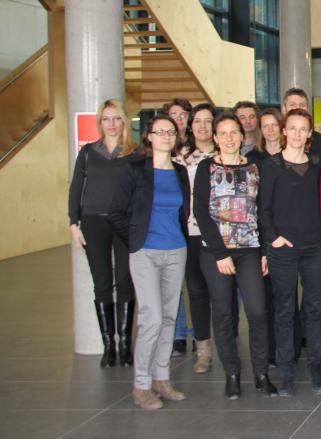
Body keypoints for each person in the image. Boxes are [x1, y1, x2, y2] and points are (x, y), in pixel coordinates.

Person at [193, 113, 277, 399]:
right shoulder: (206, 168)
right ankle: (231, 373)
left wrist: (265, 251)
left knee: (257, 312)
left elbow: (263, 212)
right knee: (225, 314)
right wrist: (220, 252)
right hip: (216, 253)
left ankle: (261, 373)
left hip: (250, 250)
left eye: (234, 132)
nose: (229, 138)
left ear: (243, 136)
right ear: (215, 138)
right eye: (223, 133)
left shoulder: (257, 167)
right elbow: (201, 213)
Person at [109, 115, 190, 410]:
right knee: (152, 318)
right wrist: (134, 241)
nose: (167, 136)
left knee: (169, 317)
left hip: (176, 250)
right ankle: (141, 385)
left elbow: (183, 211)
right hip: (145, 252)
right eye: (160, 132)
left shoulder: (180, 172)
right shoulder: (134, 170)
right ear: (149, 137)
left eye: (171, 132)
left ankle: (161, 378)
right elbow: (116, 211)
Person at [259, 109, 321, 397]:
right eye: (293, 128)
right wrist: (272, 239)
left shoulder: (317, 165)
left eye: (304, 129)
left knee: (313, 309)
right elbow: (262, 208)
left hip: (315, 247)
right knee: (285, 310)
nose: (298, 134)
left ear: (310, 133)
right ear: (284, 131)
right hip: (283, 250)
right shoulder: (271, 165)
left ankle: (315, 365)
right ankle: (287, 370)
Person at [68, 99, 140, 368]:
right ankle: (108, 345)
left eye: (116, 118)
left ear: (124, 122)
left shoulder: (134, 154)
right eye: (106, 119)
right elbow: (76, 189)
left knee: (124, 280)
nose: (111, 124)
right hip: (93, 222)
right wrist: (74, 224)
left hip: (124, 223)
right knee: (101, 283)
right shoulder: (87, 153)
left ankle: (125, 343)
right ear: (100, 123)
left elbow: (141, 192)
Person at [174, 103, 218, 374]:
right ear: (190, 126)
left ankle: (228, 342)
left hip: (222, 234)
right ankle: (203, 349)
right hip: (190, 232)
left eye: (208, 121)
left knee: (225, 294)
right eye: (197, 121)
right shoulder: (179, 157)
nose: (202, 126)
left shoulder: (225, 153)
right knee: (197, 290)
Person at [160, 98, 193, 358]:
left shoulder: (198, 148)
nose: (180, 119)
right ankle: (179, 333)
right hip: (171, 225)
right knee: (173, 285)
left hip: (197, 225)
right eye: (174, 115)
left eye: (184, 114)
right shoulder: (162, 150)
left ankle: (201, 332)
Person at [281, 88, 321, 162]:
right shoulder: (274, 138)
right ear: (284, 109)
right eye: (292, 105)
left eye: (302, 105)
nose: (297, 108)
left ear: (308, 109)